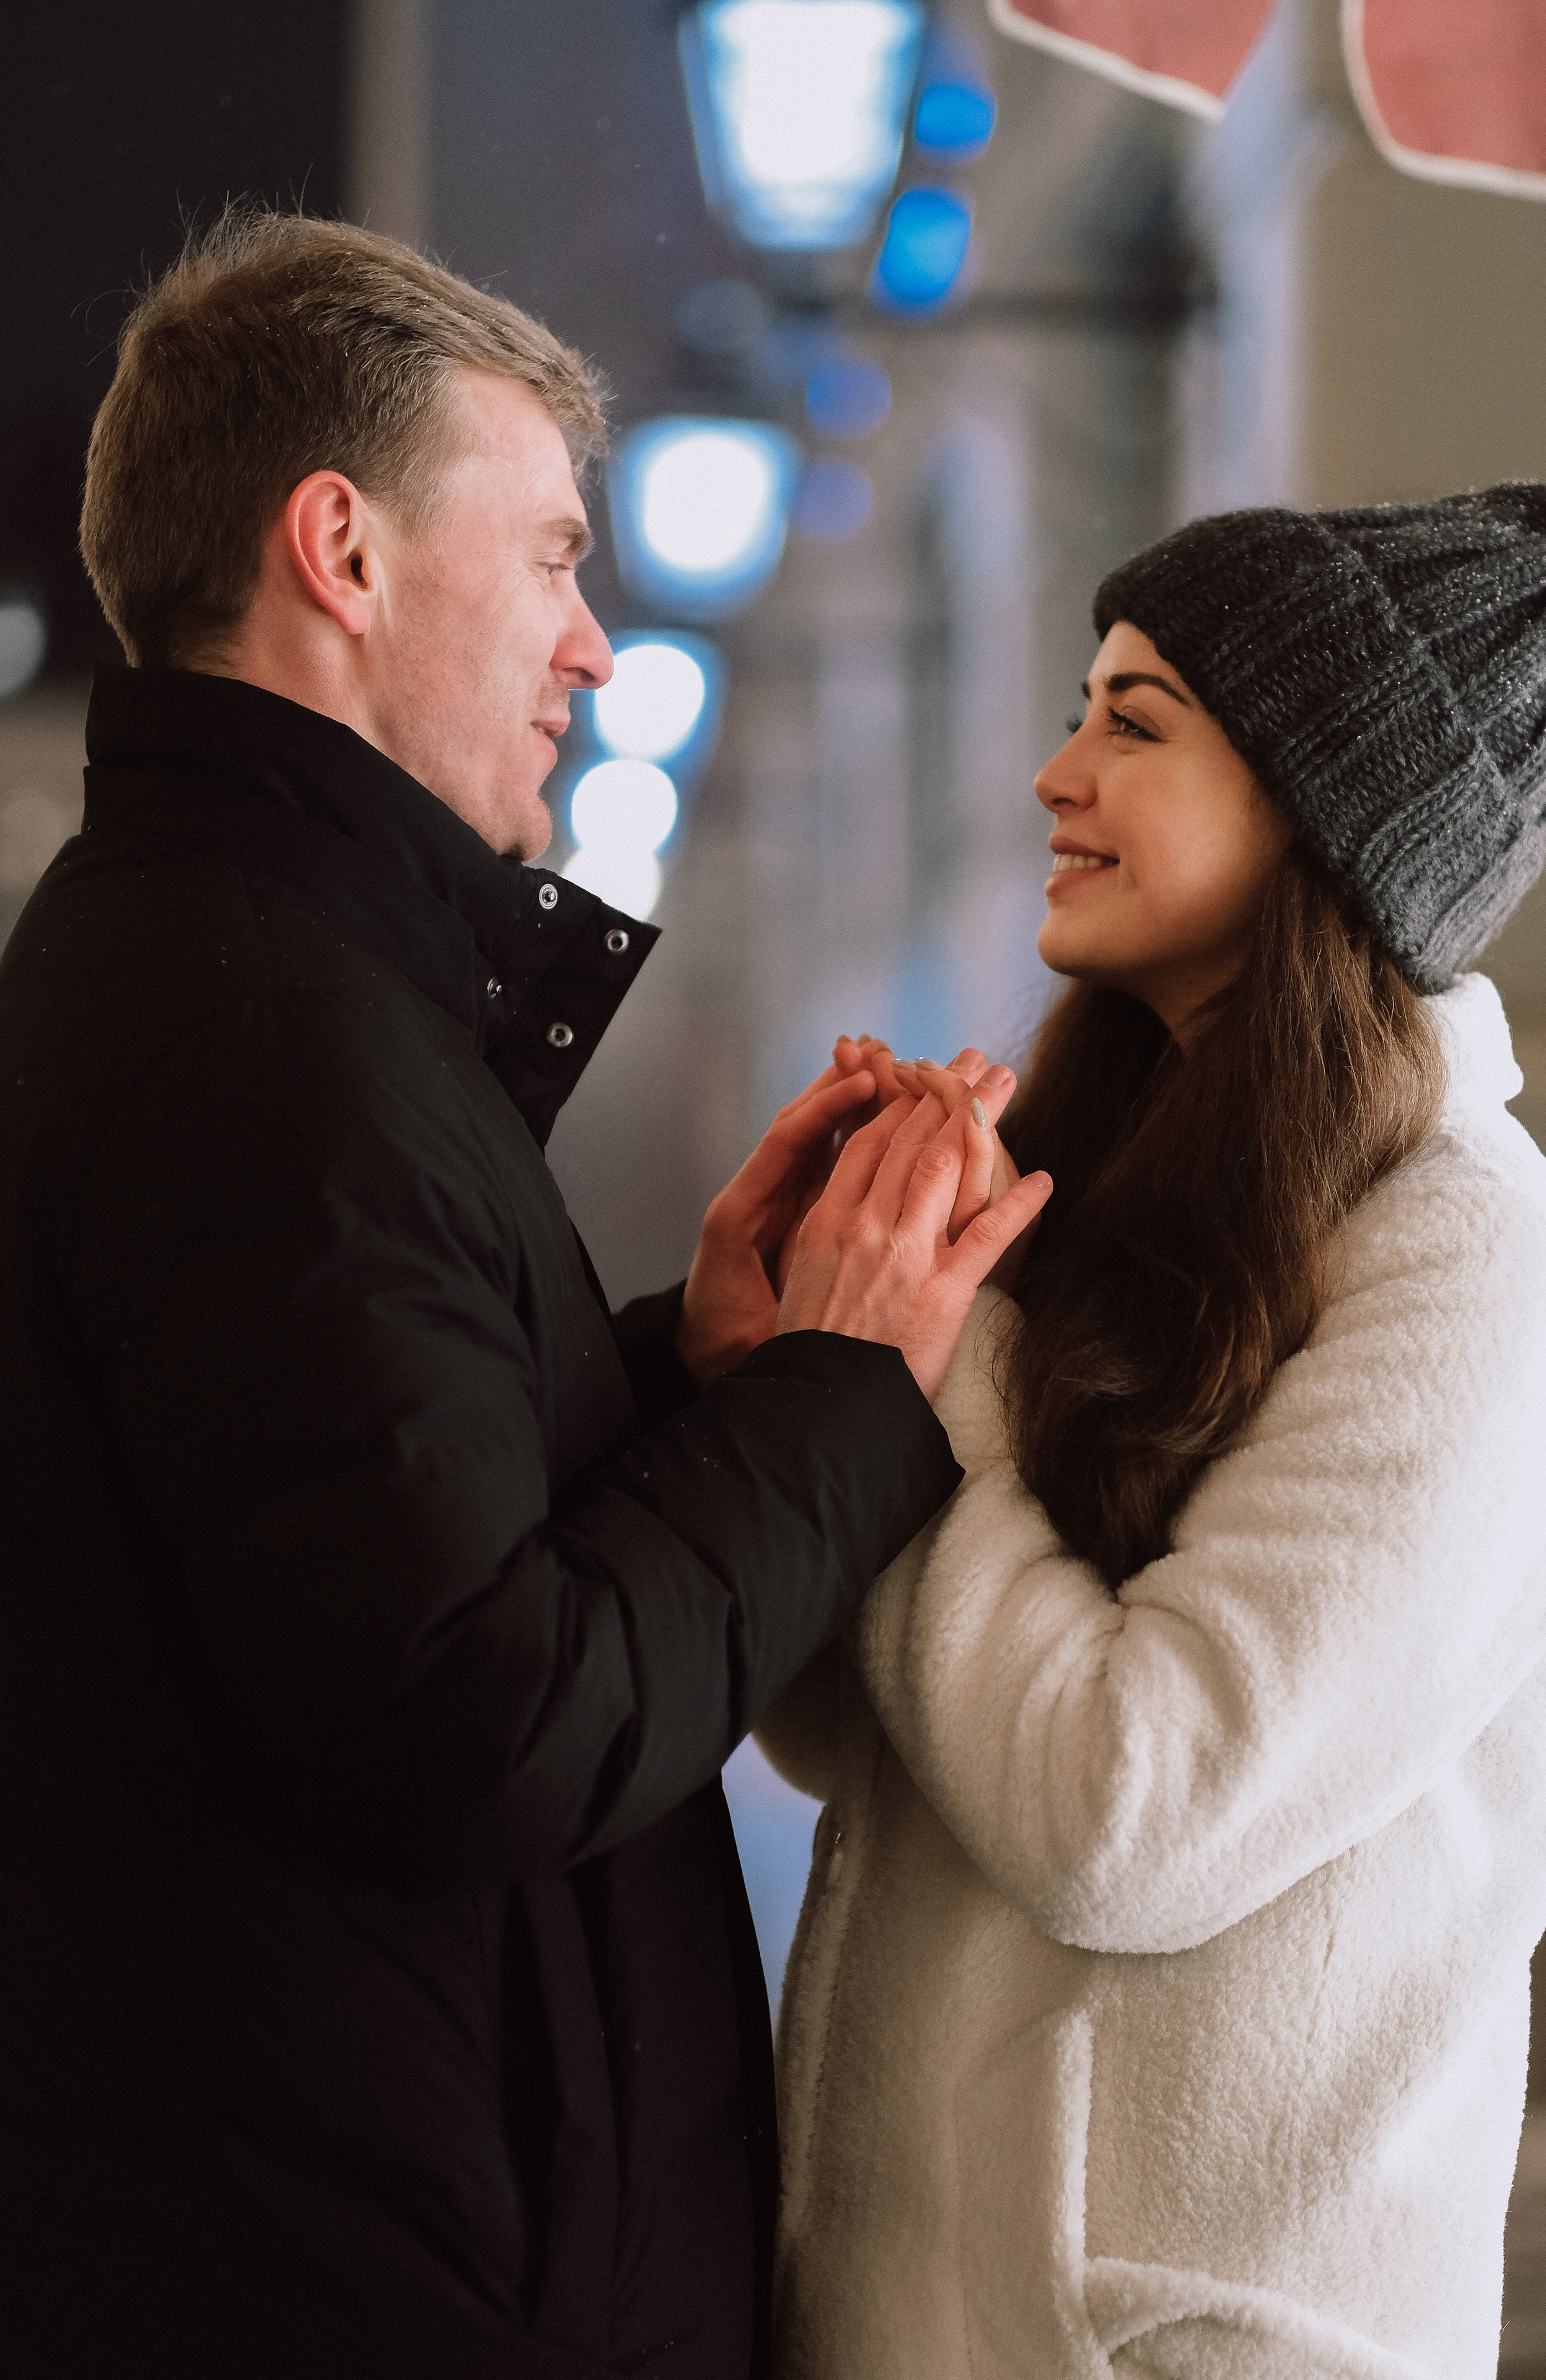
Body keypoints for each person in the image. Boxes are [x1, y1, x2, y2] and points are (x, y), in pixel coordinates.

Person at [0, 211, 1047, 2379]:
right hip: (365, 2281)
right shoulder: (264, 1033)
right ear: (344, 553)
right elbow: (471, 1717)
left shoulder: (242, 976)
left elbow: (351, 1515)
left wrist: (698, 1363)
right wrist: (843, 1393)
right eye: (557, 555)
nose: (592, 645)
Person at [762, 485, 1546, 2380]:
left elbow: (1137, 1814)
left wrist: (928, 1344)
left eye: (1136, 727)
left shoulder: (1477, 1263)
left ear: (1325, 818)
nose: (1058, 773)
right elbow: (841, 1733)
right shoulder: (1110, 1181)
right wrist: (809, 1352)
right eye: (1079, 709)